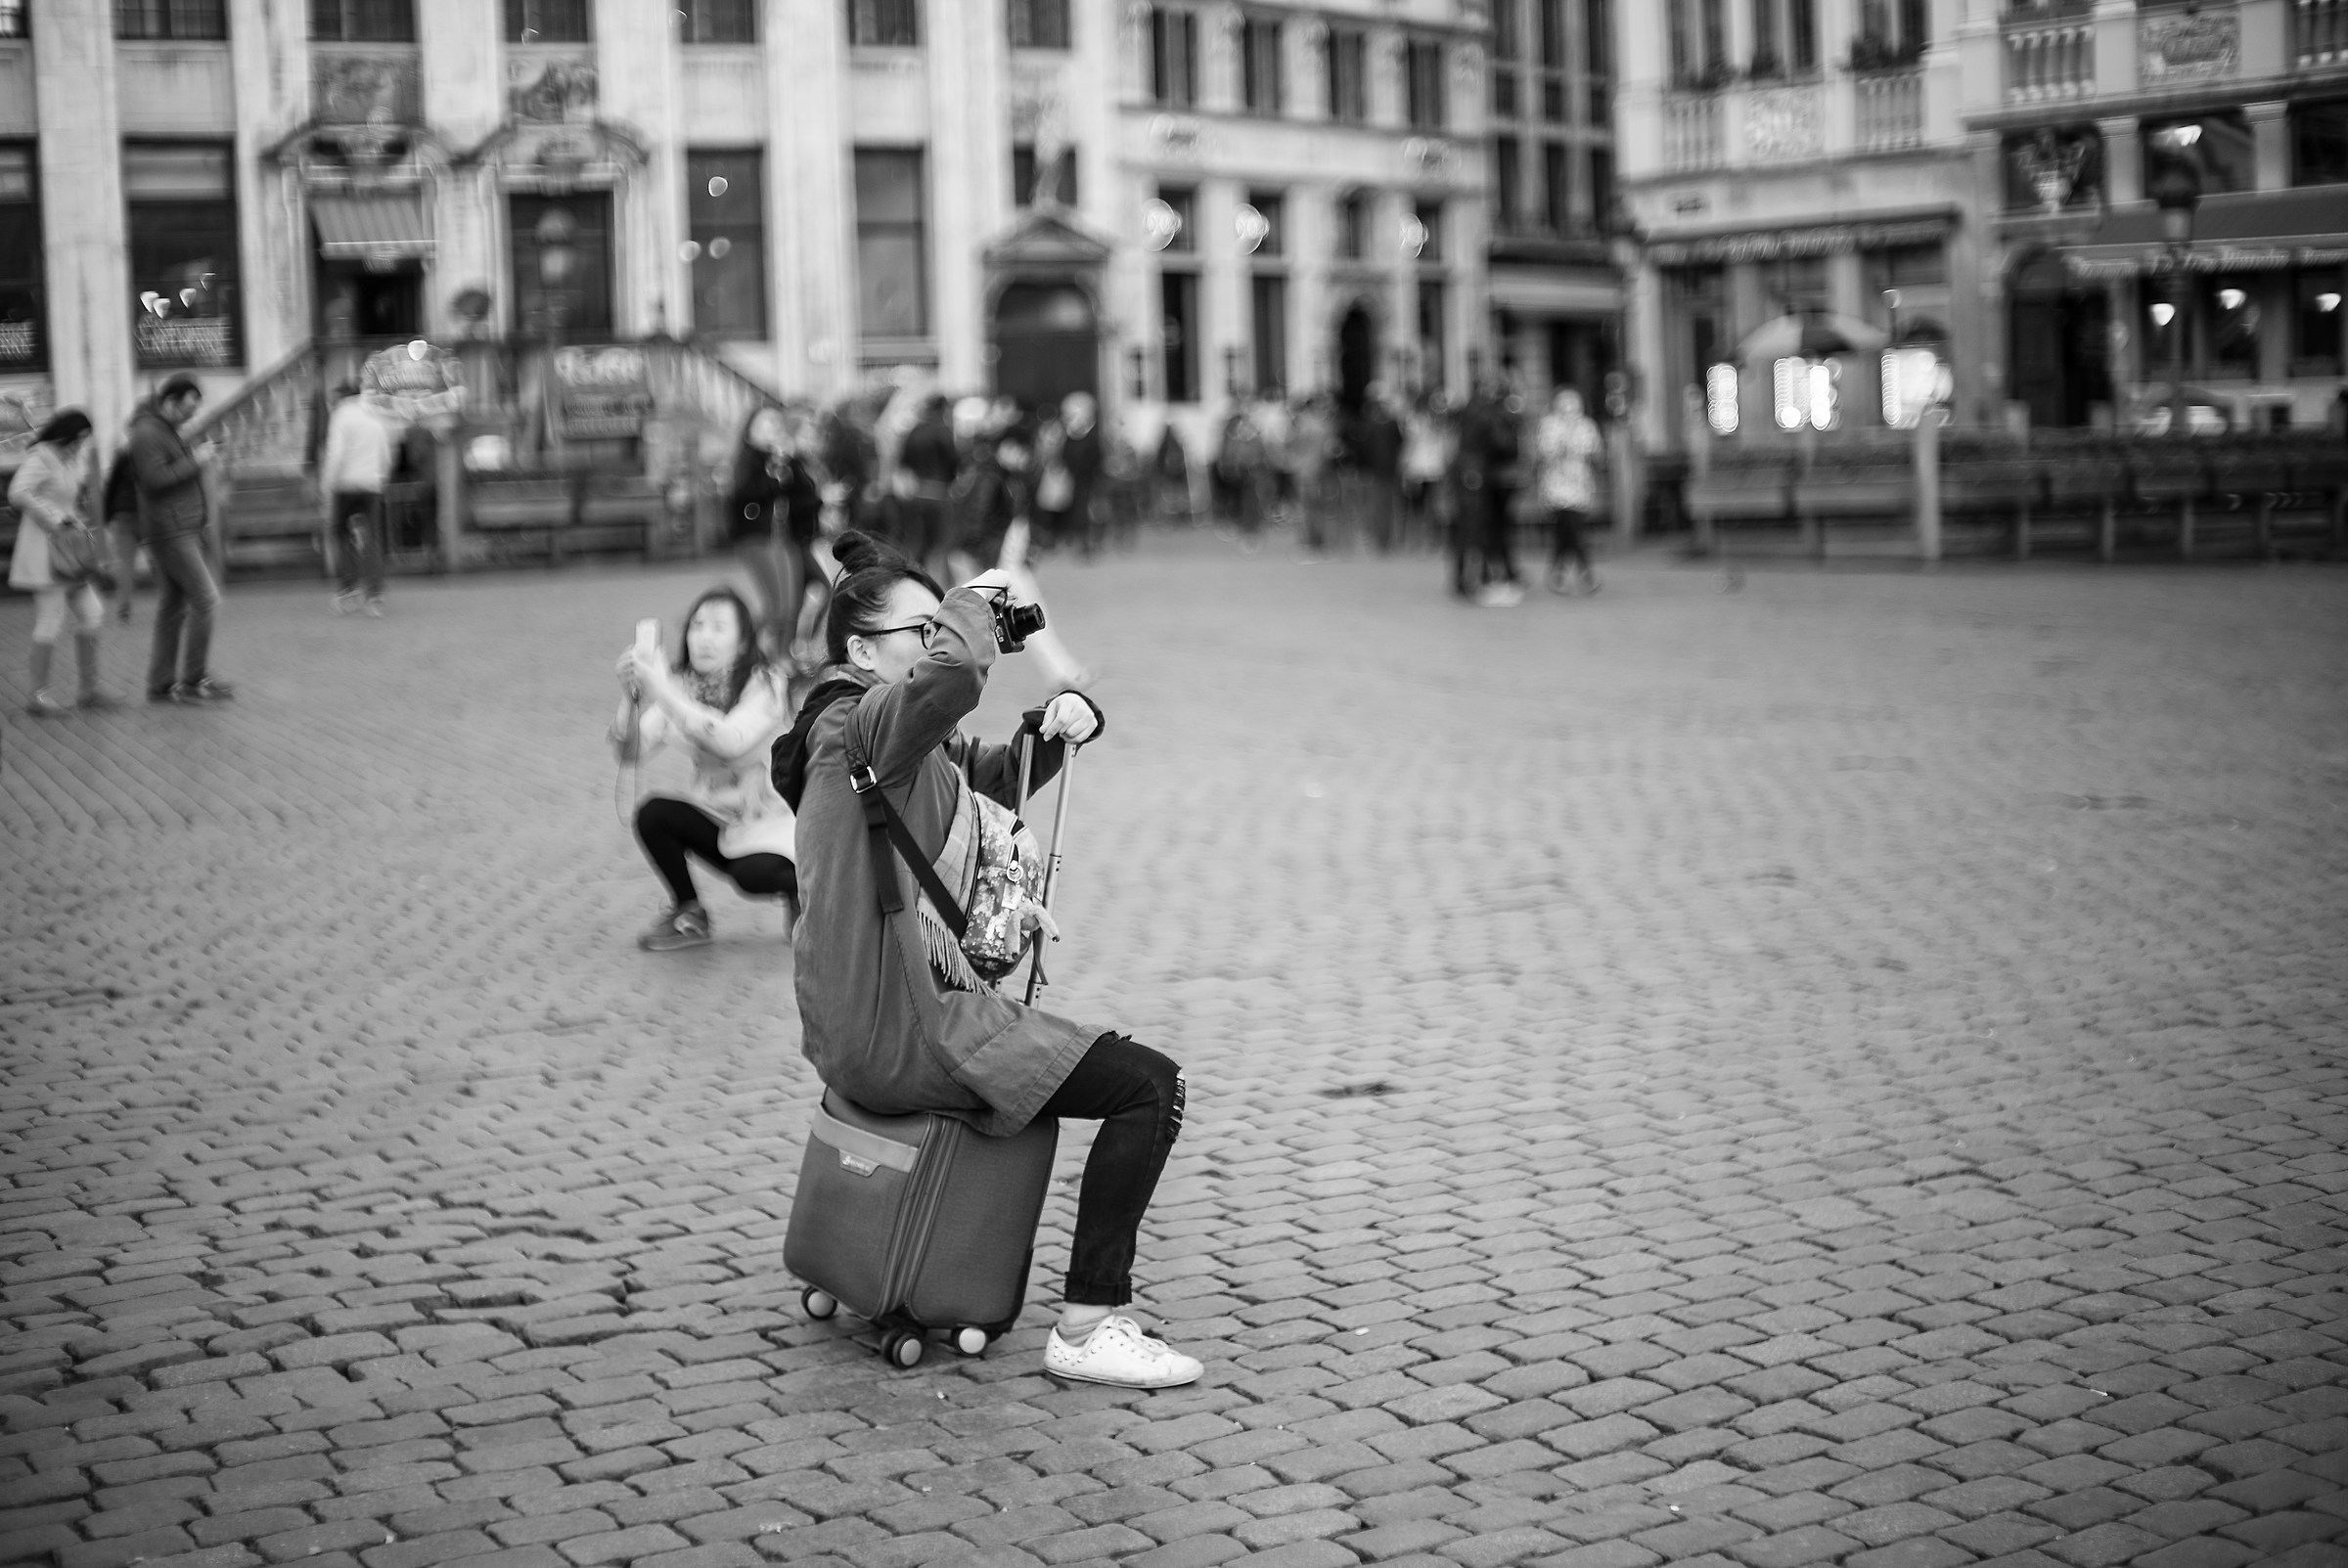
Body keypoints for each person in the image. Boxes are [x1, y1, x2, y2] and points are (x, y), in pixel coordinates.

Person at [788, 530, 1200, 1389]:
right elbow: (954, 676)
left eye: (939, 626)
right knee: (1149, 1087)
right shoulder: (853, 727)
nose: (938, 638)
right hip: (911, 1029)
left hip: (864, 1028)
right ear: (861, 651)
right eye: (923, 628)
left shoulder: (874, 738)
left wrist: (1061, 723)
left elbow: (991, 776)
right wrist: (975, 600)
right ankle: (1086, 1325)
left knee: (1119, 1080)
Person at [611, 586, 796, 952]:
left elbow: (730, 740)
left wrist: (664, 692)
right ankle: (689, 912)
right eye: (697, 626)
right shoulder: (681, 687)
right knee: (653, 814)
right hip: (719, 818)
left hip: (773, 821)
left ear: (743, 643)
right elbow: (631, 753)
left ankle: (805, 891)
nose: (704, 638)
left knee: (751, 875)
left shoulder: (767, 683)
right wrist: (628, 697)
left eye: (718, 627)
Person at [131, 372, 233, 703]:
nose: (191, 415)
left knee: (173, 606)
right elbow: (154, 480)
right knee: (206, 599)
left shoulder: (162, 430)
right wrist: (196, 460)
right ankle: (193, 678)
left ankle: (161, 683)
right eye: (188, 408)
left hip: (177, 526)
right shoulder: (148, 433)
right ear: (170, 401)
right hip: (170, 529)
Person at [8, 409, 111, 715]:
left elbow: (65, 500)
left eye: (84, 440)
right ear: (65, 435)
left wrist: (75, 520)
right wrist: (54, 518)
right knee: (50, 620)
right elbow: (17, 492)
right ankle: (38, 696)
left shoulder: (70, 459)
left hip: (70, 551)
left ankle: (88, 690)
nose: (80, 445)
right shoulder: (42, 457)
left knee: (93, 613)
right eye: (77, 439)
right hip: (44, 552)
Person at [726, 405, 825, 662]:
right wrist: (773, 469)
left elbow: (803, 493)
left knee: (790, 606)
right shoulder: (749, 461)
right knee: (776, 608)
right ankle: (738, 647)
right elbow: (747, 495)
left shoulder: (781, 460)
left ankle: (781, 659)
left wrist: (786, 463)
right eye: (765, 424)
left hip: (784, 539)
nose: (772, 429)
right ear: (749, 432)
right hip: (756, 539)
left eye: (775, 424)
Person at [318, 381, 397, 616]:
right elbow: (387, 453)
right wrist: (381, 478)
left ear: (341, 398)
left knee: (342, 536)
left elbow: (335, 454)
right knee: (373, 539)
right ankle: (375, 594)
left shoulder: (341, 416)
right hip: (372, 484)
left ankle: (348, 589)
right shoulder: (375, 415)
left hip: (345, 485)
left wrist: (326, 485)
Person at [1535, 387, 1603, 595]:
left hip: (1579, 486)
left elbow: (1596, 452)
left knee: (1568, 531)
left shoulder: (1586, 426)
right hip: (1556, 487)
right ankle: (1585, 573)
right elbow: (1544, 452)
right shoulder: (1549, 425)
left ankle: (1559, 573)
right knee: (1570, 529)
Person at [100, 445, 141, 624]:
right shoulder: (155, 450)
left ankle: (124, 606)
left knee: (125, 563)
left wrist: (107, 515)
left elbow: (111, 485)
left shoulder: (125, 454)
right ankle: (172, 601)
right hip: (149, 512)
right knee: (160, 559)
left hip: (122, 513)